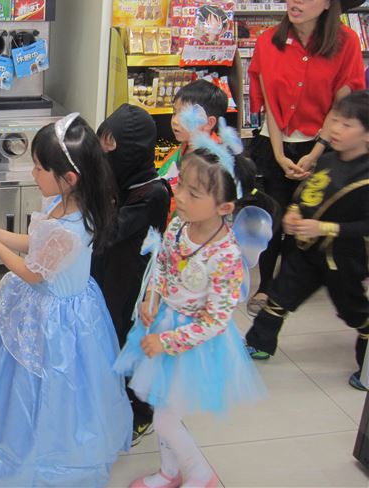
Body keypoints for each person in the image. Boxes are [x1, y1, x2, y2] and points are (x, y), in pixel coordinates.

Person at [0, 114, 132, 487]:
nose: (32, 173)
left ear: (69, 177)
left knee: (45, 384)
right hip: (62, 305)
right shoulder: (65, 204)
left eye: (38, 167)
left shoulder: (70, 229)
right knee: (36, 381)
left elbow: (32, 272)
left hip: (56, 320)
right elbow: (36, 243)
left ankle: (41, 451)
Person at [115, 142, 266, 488]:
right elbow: (161, 265)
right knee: (160, 407)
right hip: (163, 323)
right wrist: (151, 298)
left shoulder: (226, 256)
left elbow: (215, 321)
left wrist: (166, 342)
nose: (179, 196)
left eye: (193, 193)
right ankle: (170, 471)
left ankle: (200, 475)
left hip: (194, 345)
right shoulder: (179, 227)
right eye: (180, 184)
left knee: (167, 419)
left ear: (224, 207)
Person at [246, 0, 366, 316]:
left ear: (329, 1)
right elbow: (269, 102)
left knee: (306, 217)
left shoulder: (346, 42)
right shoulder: (269, 41)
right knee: (273, 217)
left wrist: (317, 152)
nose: (296, 0)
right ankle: (265, 288)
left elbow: (342, 104)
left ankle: (294, 287)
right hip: (275, 141)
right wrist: (279, 154)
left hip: (322, 143)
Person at [245, 90, 369, 391]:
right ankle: (258, 342)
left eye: (347, 125)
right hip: (306, 249)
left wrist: (323, 227)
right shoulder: (327, 160)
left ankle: (366, 365)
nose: (336, 129)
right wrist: (293, 212)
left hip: (344, 258)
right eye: (335, 121)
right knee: (280, 295)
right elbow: (306, 194)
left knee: (354, 312)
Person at [92, 104, 171, 446]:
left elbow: (112, 230)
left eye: (111, 145)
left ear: (131, 149)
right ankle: (110, 398)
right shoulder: (121, 179)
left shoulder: (152, 192)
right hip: (108, 271)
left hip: (133, 282)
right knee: (107, 332)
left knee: (129, 339)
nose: (105, 152)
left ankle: (139, 412)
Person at [158, 79, 228, 218]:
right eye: (174, 112)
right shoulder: (183, 148)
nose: (175, 121)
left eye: (184, 116)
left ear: (209, 123)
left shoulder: (214, 162)